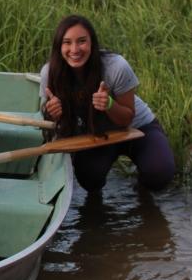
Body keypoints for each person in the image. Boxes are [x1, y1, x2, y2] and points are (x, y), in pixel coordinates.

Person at [39, 15, 175, 192]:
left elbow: (127, 117)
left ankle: (142, 190)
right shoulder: (50, 73)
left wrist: (109, 104)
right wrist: (53, 113)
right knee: (89, 179)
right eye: (67, 42)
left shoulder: (115, 66)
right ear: (59, 46)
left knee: (160, 173)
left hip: (137, 127)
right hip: (97, 133)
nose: (74, 49)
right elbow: (53, 124)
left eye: (82, 41)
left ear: (92, 43)